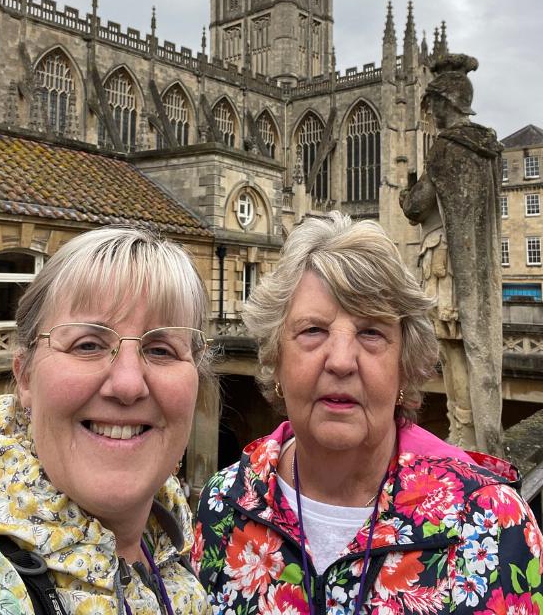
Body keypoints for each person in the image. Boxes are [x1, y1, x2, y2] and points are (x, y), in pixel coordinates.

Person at [195, 213, 543, 615]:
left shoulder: (489, 521)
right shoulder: (225, 501)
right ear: (276, 358)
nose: (341, 362)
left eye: (371, 332)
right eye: (313, 331)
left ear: (404, 365)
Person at [0, 226, 213, 614]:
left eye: (161, 349)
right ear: (25, 376)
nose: (128, 384)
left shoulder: (172, 532)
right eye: (88, 345)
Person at [400, 53, 504, 455]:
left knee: (453, 346)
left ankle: (463, 429)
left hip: (444, 259)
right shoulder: (487, 147)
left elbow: (417, 205)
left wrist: (407, 191)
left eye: (434, 105)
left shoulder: (446, 148)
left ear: (446, 103)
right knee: (471, 345)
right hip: (475, 267)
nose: (432, 114)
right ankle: (477, 429)